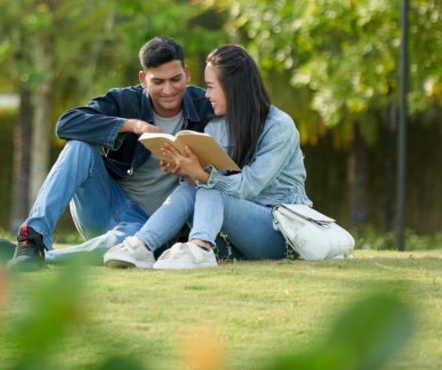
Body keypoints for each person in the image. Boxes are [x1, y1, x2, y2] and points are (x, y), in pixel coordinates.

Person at [0, 36, 215, 271]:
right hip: (111, 209)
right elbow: (66, 124)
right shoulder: (124, 101)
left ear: (187, 74)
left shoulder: (205, 104)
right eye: (158, 81)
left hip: (159, 230)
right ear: (143, 80)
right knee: (79, 147)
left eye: (175, 79)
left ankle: (41, 258)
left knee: (129, 241)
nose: (168, 90)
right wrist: (132, 125)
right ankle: (31, 240)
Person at [102, 44, 311, 270]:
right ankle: (142, 246)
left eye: (211, 87)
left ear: (233, 88)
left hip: (280, 232)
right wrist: (188, 172)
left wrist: (201, 175)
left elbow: (249, 186)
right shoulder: (216, 127)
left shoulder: (278, 126)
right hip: (232, 237)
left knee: (211, 189)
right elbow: (201, 188)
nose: (207, 94)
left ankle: (200, 249)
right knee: (191, 188)